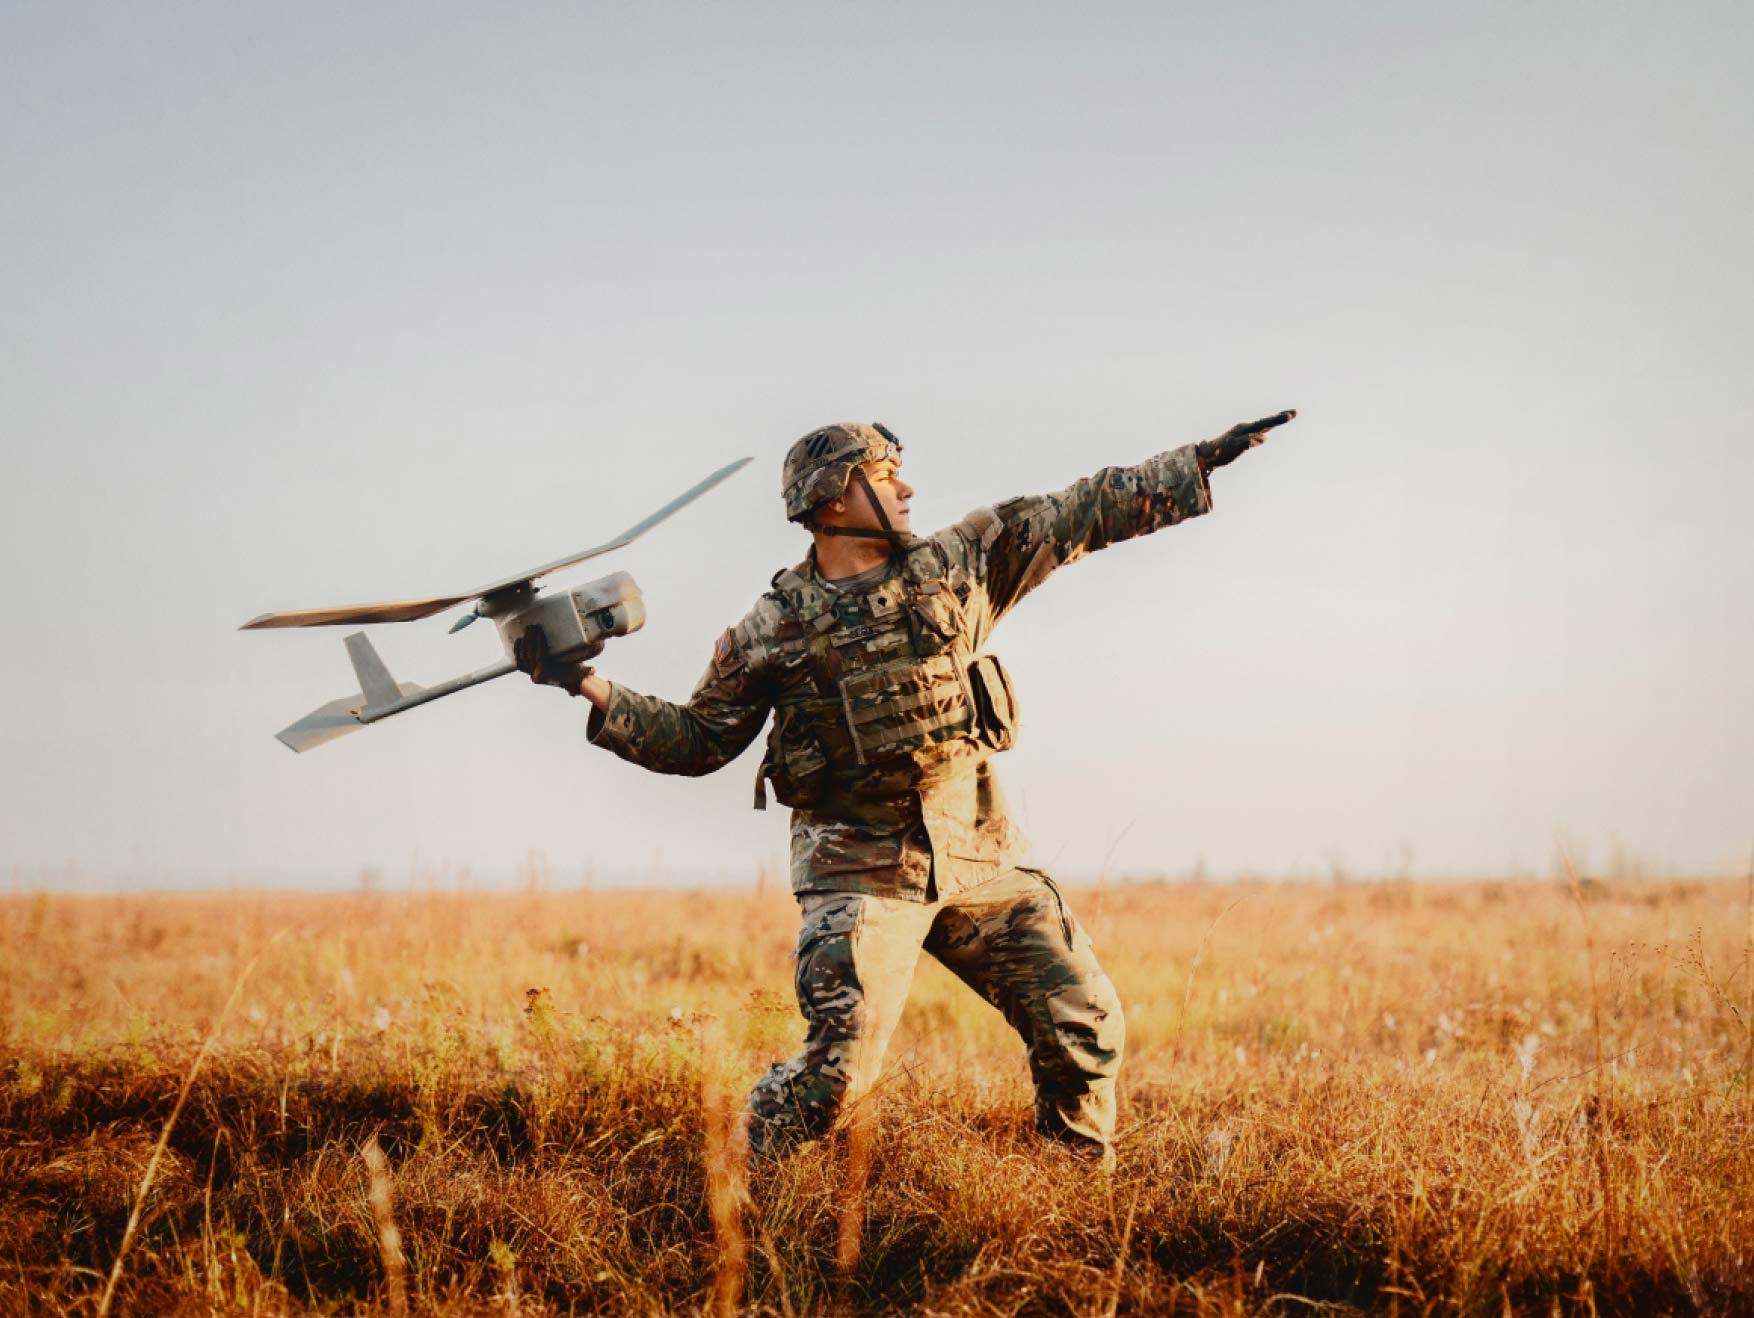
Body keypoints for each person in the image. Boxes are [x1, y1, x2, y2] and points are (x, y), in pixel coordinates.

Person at [514, 409, 1296, 1164]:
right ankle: (733, 1183)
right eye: (886, 476)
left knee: (1086, 1024)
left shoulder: (960, 565)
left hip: (977, 859)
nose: (908, 491)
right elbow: (697, 739)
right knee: (834, 1084)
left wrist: (1196, 462)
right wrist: (586, 685)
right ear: (833, 499)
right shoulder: (771, 629)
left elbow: (1081, 509)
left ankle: (1075, 1186)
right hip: (860, 876)